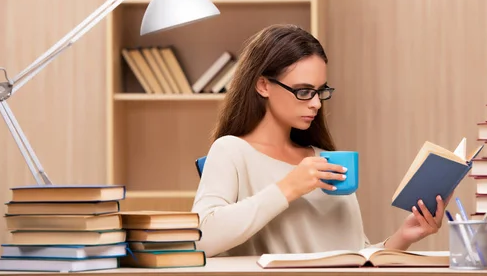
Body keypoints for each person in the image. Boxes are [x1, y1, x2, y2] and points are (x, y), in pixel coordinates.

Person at [191, 24, 446, 257]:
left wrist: (404, 236)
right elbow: (202, 239)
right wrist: (289, 187)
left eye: (320, 91)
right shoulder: (231, 151)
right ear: (263, 86)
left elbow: (355, 255)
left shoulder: (326, 160)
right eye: (303, 91)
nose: (315, 103)